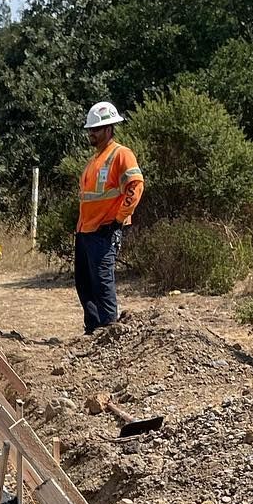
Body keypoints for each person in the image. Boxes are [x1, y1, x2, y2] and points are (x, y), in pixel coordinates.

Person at [75, 101, 144, 335]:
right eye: (89, 129)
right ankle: (93, 330)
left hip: (103, 231)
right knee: (85, 284)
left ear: (108, 129)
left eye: (95, 129)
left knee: (102, 284)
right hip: (86, 231)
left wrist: (117, 220)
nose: (91, 133)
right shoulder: (95, 160)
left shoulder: (121, 154)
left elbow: (135, 187)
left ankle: (109, 332)